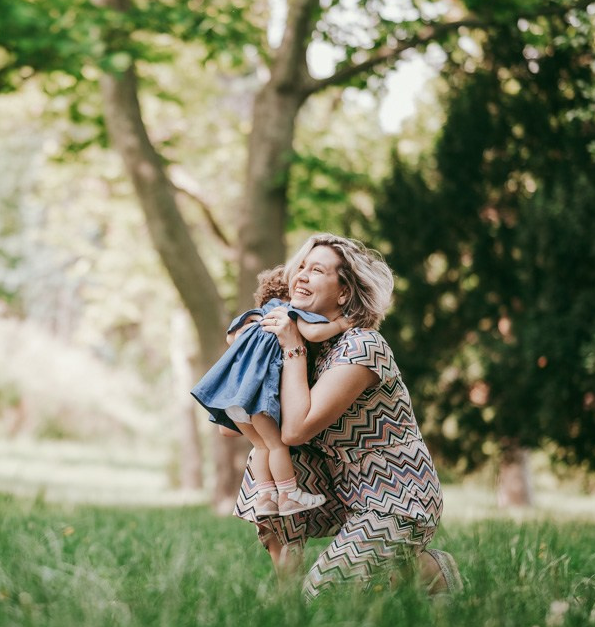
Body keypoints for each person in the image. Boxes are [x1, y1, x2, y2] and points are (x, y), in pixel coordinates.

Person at [235, 234, 462, 599]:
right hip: (342, 492)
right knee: (262, 453)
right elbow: (240, 429)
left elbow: (296, 429)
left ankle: (426, 570)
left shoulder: (363, 347)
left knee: (325, 599)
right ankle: (287, 594)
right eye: (302, 267)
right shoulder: (309, 346)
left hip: (396, 497)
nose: (302, 276)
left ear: (343, 293)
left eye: (318, 270)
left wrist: (292, 346)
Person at [191, 265, 351, 516]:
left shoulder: (256, 316)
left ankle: (265, 498)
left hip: (234, 400)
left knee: (261, 447)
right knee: (276, 446)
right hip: (258, 398)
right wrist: (340, 324)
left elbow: (232, 337)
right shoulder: (289, 314)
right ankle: (288, 495)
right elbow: (315, 332)